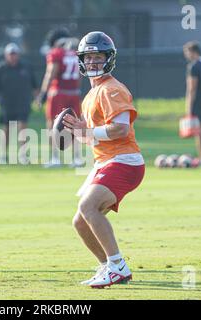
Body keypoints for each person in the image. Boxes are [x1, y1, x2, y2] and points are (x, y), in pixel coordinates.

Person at [62, 31, 145, 288]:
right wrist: (79, 132)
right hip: (107, 161)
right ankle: (108, 267)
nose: (93, 62)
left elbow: (120, 129)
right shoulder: (91, 95)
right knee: (80, 221)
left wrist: (86, 132)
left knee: (88, 208)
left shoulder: (111, 89)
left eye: (98, 56)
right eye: (89, 57)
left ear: (109, 59)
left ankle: (117, 266)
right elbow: (95, 138)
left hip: (124, 160)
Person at [0, 43, 39, 163]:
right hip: (6, 104)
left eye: (15, 54)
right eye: (11, 54)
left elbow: (35, 85)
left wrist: (37, 99)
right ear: (6, 55)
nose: (13, 56)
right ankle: (2, 155)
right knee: (6, 130)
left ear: (18, 54)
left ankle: (23, 155)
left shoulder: (26, 67)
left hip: (23, 102)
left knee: (23, 128)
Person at [37, 28, 83, 168]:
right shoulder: (76, 53)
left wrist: (43, 93)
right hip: (74, 93)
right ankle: (76, 158)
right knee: (75, 126)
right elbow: (80, 75)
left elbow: (51, 73)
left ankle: (55, 158)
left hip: (58, 93)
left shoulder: (56, 53)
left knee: (52, 125)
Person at [183, 41, 201, 166]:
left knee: (198, 131)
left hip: (197, 101)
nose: (186, 55)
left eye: (187, 52)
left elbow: (191, 88)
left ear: (193, 52)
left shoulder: (193, 66)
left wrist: (188, 107)